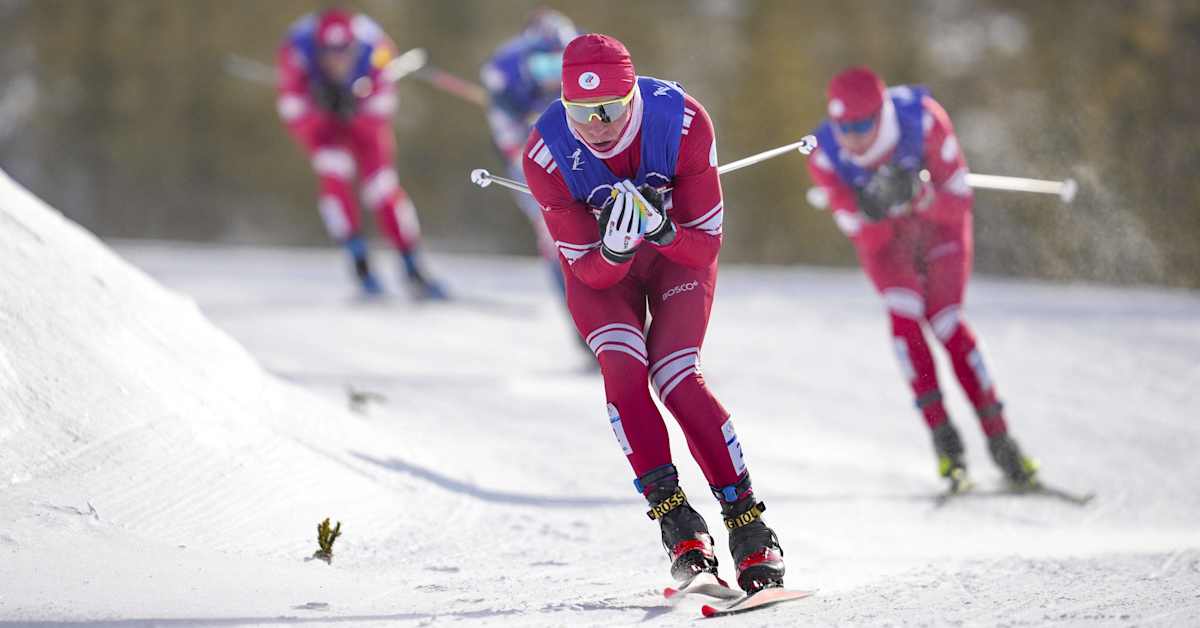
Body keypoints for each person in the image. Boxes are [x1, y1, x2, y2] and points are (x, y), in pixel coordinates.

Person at [522, 33, 785, 593]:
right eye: (580, 112)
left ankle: (749, 528)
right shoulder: (545, 152)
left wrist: (661, 229)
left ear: (633, 97)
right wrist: (615, 248)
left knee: (675, 374)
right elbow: (589, 273)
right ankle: (679, 525)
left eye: (610, 109)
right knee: (623, 367)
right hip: (604, 277)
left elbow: (706, 245)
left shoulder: (682, 121)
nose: (597, 124)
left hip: (676, 262)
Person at [806, 66, 1038, 491]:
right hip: (889, 246)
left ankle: (1002, 442)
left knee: (947, 322)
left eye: (861, 125)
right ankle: (946, 444)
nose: (852, 137)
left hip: (940, 234)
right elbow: (863, 235)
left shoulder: (924, 121)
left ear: (881, 115)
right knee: (904, 319)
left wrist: (918, 195)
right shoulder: (824, 155)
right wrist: (875, 209)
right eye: (843, 126)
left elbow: (959, 203)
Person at [276, 8, 446, 299]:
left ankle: (412, 265)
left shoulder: (376, 48)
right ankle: (361, 265)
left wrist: (354, 110)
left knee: (381, 188)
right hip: (324, 129)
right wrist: (320, 110)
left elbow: (384, 105)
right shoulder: (296, 50)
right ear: (318, 49)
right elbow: (291, 110)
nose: (337, 60)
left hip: (365, 126)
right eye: (329, 52)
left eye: (344, 52)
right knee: (335, 173)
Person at [480, 8, 576, 298]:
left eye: (559, 65)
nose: (552, 77)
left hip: (579, 153)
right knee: (552, 232)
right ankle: (575, 309)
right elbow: (511, 146)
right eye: (543, 67)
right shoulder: (504, 77)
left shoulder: (590, 60)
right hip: (529, 157)